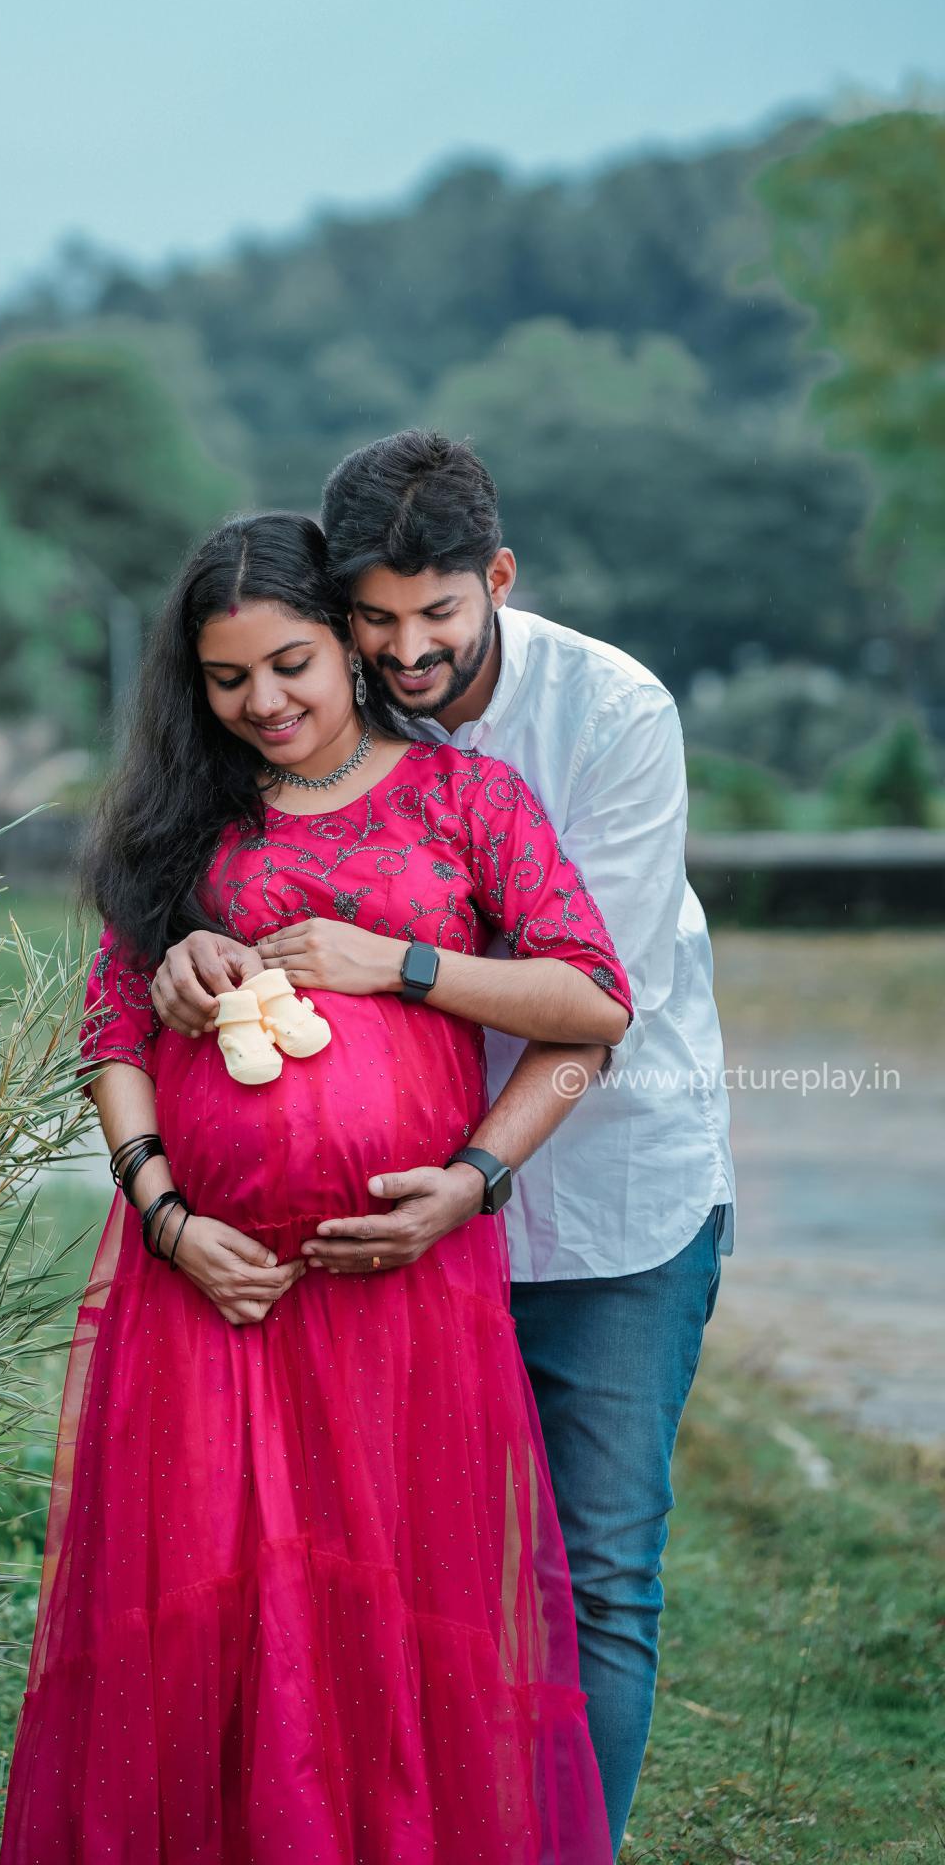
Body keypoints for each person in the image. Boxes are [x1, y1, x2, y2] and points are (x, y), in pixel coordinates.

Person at [0, 511, 635, 1865]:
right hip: (214, 1293)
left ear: (347, 644)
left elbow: (590, 1004)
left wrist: (465, 1164)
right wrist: (165, 1217)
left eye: (289, 664)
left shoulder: (468, 802)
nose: (264, 702)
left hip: (404, 1284)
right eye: (228, 679)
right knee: (213, 1605)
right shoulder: (184, 826)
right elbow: (110, 1033)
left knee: (393, 1602)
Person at [153, 436, 735, 1853]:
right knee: (413, 1577)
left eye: (441, 616)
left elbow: (596, 1011)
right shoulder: (288, 750)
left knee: (595, 1576)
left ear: (500, 579)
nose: (409, 651)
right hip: (382, 1241)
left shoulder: (611, 714)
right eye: (376, 620)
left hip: (602, 1198)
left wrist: (413, 1010)